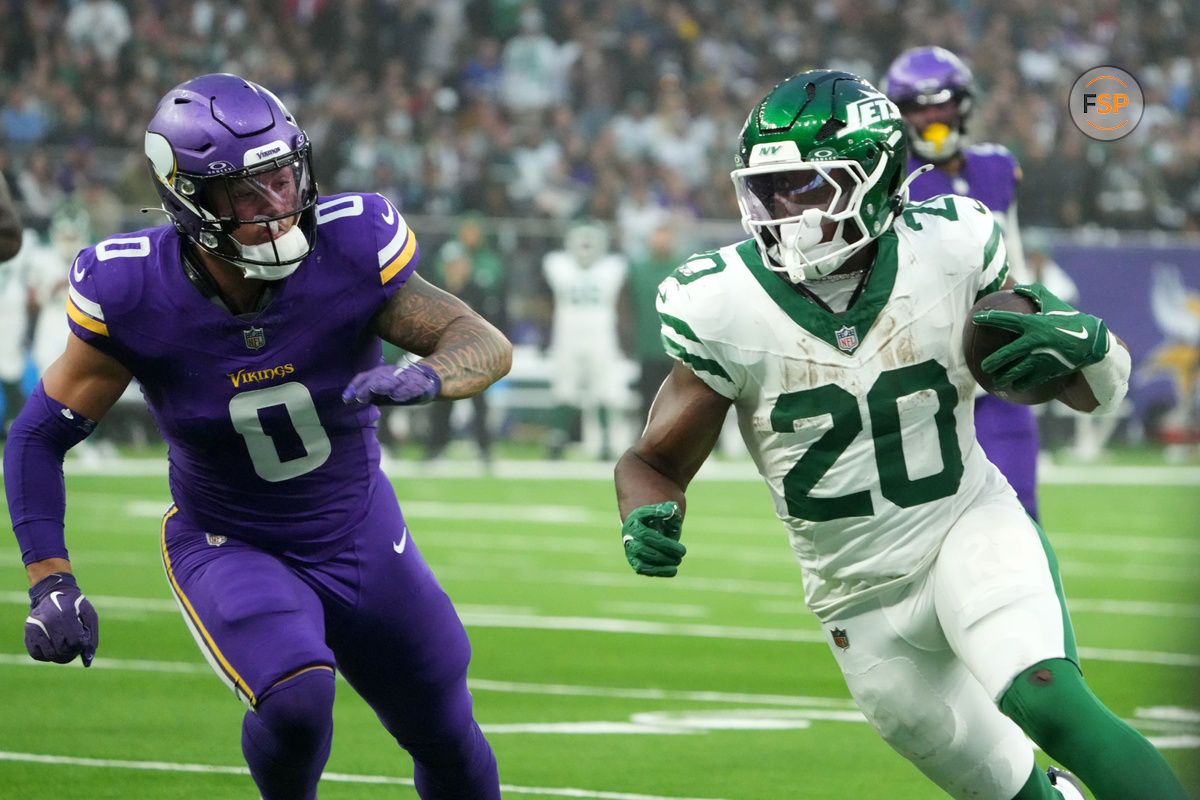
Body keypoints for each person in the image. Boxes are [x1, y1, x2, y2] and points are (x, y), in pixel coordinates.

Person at [614, 70, 1187, 800]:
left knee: (1048, 697)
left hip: (964, 526)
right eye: (771, 190)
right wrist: (646, 510)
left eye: (810, 187)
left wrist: (1093, 350)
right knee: (1015, 792)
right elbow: (652, 460)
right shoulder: (722, 303)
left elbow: (1080, 389)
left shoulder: (948, 248)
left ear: (878, 178)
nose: (785, 211)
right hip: (854, 598)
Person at [5, 74, 510, 800]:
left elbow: (480, 340)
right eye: (245, 194)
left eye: (281, 179)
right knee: (298, 700)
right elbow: (37, 435)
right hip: (230, 539)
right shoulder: (132, 291)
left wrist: (429, 377)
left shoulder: (352, 243)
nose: (275, 208)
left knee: (447, 735)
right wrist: (49, 580)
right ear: (188, 201)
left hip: (360, 527)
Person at [881, 46, 1043, 520]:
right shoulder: (887, 180)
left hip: (1000, 366)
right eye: (918, 106)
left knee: (1019, 514)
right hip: (925, 375)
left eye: (942, 102)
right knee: (927, 528)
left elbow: (1011, 251)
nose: (932, 115)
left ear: (964, 104)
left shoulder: (996, 167)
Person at [542, 219, 631, 459]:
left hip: (601, 336)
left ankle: (604, 442)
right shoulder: (557, 264)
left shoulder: (612, 267)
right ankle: (557, 440)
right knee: (564, 387)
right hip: (567, 336)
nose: (585, 249)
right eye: (581, 244)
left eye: (590, 244)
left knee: (603, 389)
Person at [425, 214, 506, 463]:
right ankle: (436, 448)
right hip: (446, 354)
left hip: (474, 354)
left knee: (479, 405)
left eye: (460, 263)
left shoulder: (478, 291)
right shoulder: (438, 291)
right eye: (453, 264)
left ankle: (484, 449)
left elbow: (491, 324)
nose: (457, 268)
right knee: (442, 405)